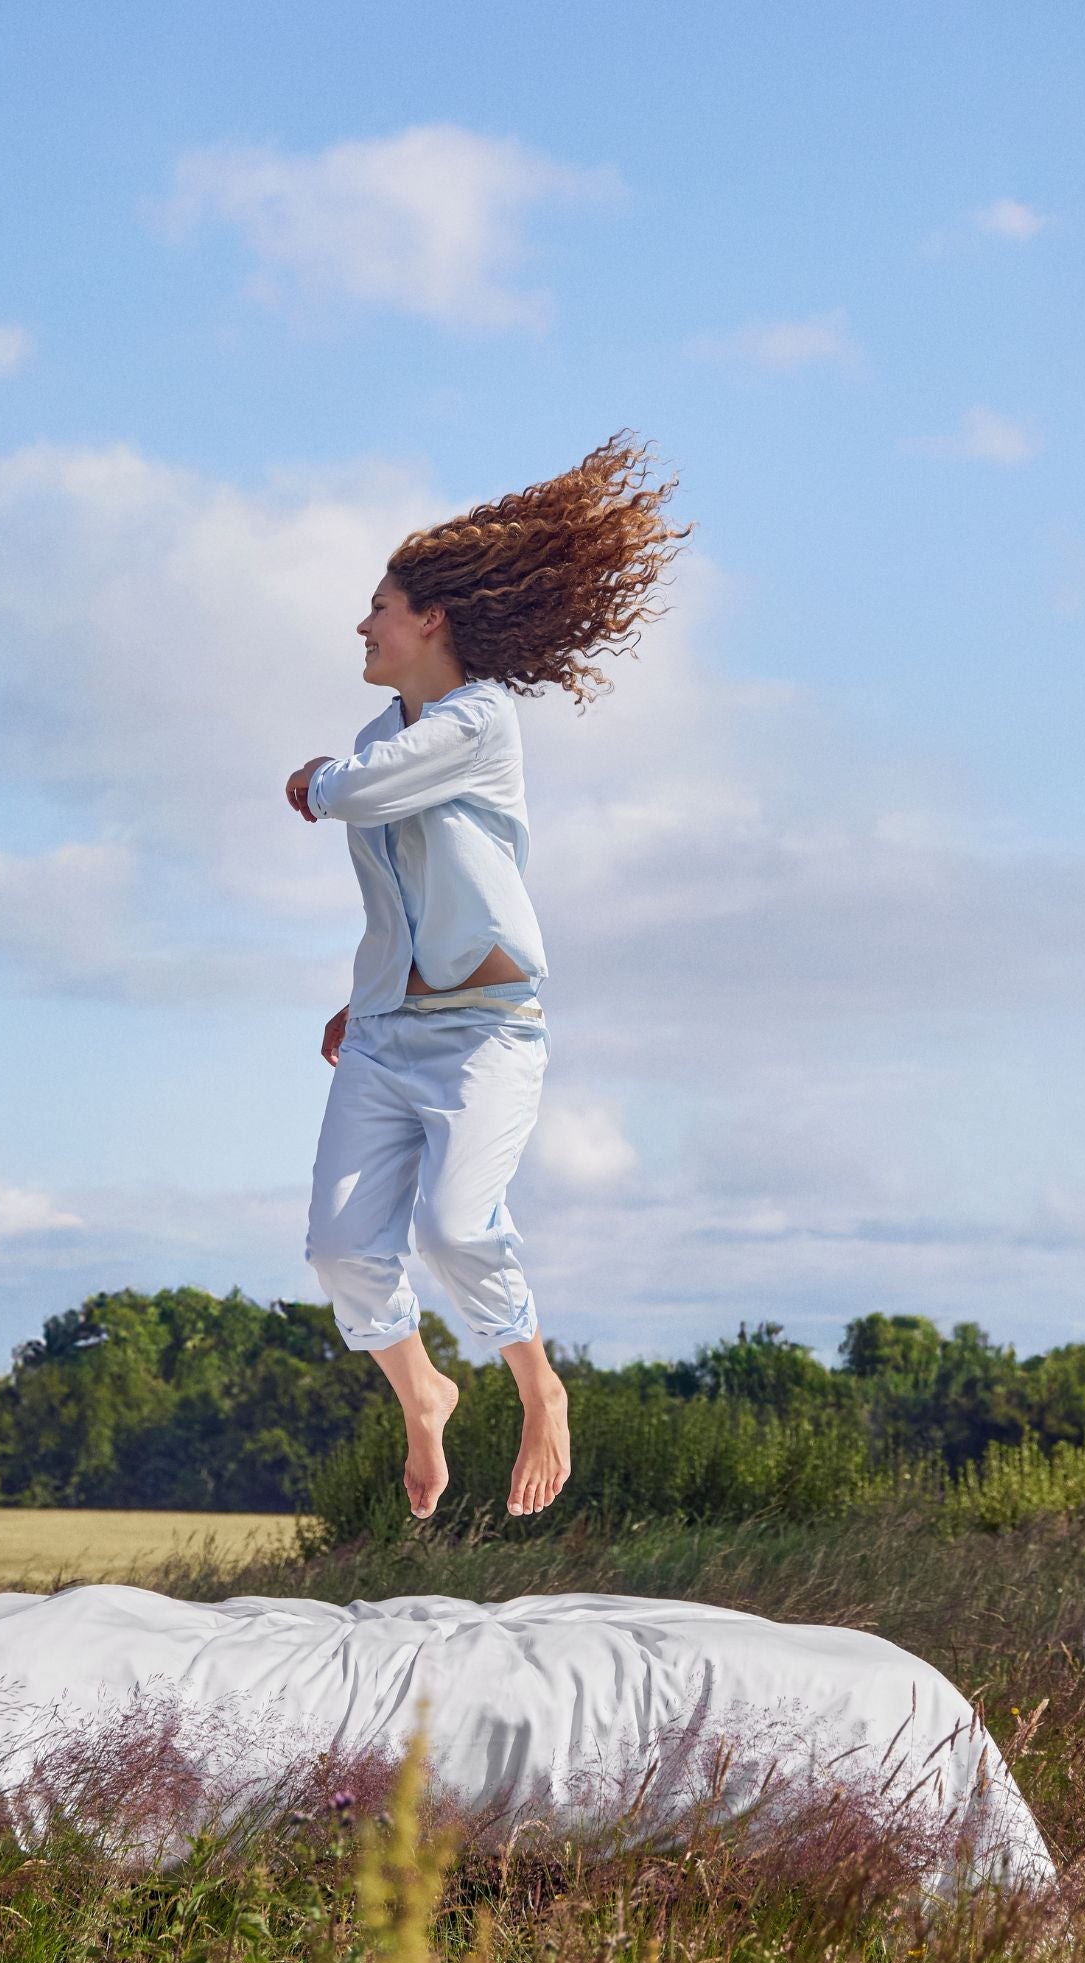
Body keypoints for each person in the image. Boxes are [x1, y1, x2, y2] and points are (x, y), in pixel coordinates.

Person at [284, 433, 689, 1521]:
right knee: (339, 1249)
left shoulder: (477, 721)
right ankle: (423, 1393)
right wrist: (368, 990)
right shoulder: (381, 733)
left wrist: (314, 778)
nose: (362, 626)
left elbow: (353, 794)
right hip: (385, 1029)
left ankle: (539, 1387)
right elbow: (402, 883)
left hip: (485, 1032)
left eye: (378, 607)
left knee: (457, 1228)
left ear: (432, 620)